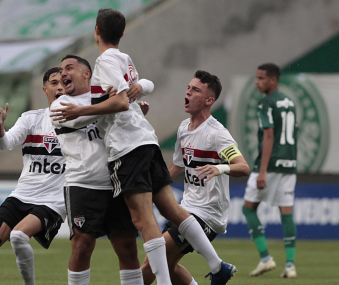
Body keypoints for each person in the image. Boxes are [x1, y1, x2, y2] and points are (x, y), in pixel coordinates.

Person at [51, 8, 237, 285]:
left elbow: (121, 101)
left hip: (127, 148)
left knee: (143, 221)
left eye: (69, 68)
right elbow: (131, 94)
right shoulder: (124, 59)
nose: (64, 75)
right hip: (144, 141)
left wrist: (81, 113)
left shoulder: (104, 62)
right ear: (123, 34)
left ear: (96, 32)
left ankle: (164, 283)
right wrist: (139, 91)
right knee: (172, 210)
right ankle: (217, 265)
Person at [51, 54, 154, 285]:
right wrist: (122, 107)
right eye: (60, 71)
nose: (63, 74)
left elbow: (147, 85)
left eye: (69, 68)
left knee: (127, 246)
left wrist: (130, 104)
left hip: (117, 181)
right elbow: (83, 119)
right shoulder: (60, 105)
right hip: (83, 183)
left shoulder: (106, 97)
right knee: (82, 246)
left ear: (87, 74)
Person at [141, 70, 250, 285]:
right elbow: (176, 166)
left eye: (196, 90)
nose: (188, 93)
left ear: (209, 100)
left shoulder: (217, 133)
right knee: (169, 267)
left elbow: (243, 167)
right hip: (185, 210)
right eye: (188, 88)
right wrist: (152, 192)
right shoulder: (184, 128)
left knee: (151, 262)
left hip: (207, 215)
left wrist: (220, 169)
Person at [0, 67, 67, 285]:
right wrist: (0, 128)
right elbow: (6, 143)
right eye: (53, 82)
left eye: (63, 82)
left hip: (53, 200)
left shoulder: (78, 122)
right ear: (44, 89)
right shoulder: (31, 119)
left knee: (18, 236)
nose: (59, 86)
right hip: (22, 195)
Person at [242, 63, 298, 278]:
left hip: (270, 163)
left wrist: (262, 170)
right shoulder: (289, 102)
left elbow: (268, 135)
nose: (257, 82)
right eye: (257, 78)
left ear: (273, 80)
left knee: (248, 209)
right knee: (286, 212)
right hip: (289, 164)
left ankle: (266, 259)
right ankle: (290, 266)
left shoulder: (266, 102)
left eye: (261, 78)